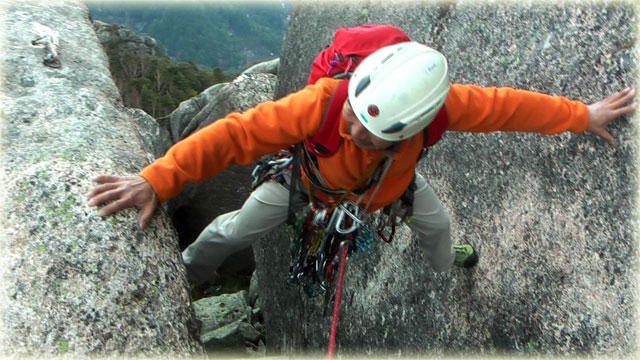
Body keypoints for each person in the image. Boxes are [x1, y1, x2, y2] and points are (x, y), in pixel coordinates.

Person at [87, 42, 636, 290]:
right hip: (303, 188)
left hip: (384, 195)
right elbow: (237, 134)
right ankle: (187, 272)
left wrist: (582, 115)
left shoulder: (438, 112)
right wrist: (158, 178)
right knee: (233, 228)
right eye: (351, 113)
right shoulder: (323, 102)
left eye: (365, 133)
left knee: (439, 228)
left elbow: (509, 107)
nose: (348, 128)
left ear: (408, 131)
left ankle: (449, 268)